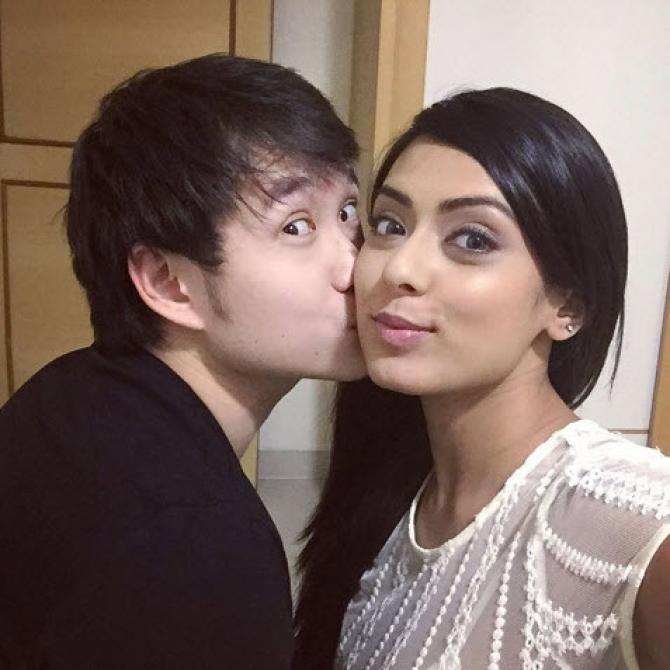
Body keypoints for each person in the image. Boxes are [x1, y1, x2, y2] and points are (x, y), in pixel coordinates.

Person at [0, 53, 365, 669]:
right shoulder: (194, 546)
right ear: (169, 282)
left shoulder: (69, 390)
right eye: (296, 226)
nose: (357, 265)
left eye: (349, 213)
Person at [294, 88, 670, 669]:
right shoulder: (389, 493)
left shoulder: (635, 521)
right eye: (389, 225)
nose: (400, 268)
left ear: (567, 306)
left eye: (472, 239)